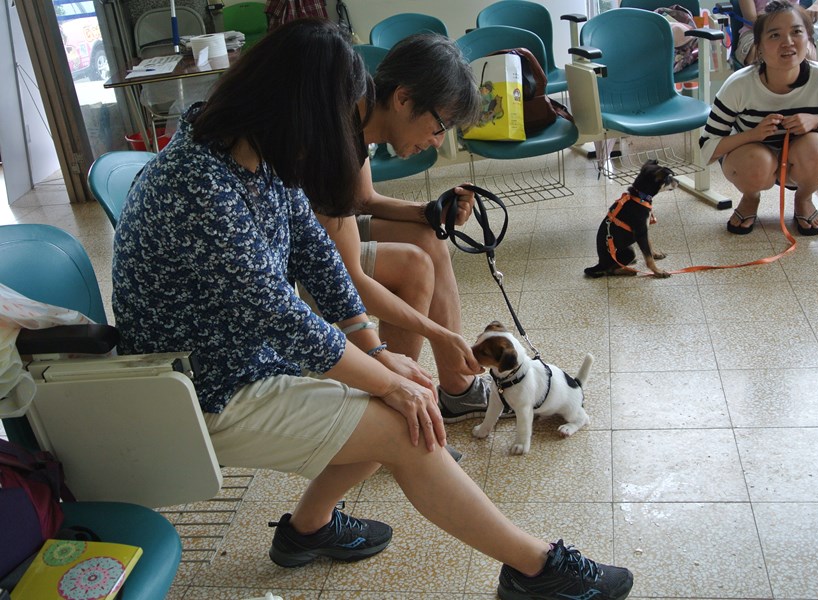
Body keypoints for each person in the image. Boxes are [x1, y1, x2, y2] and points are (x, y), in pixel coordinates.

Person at [111, 19, 633, 600]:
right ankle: (537, 570)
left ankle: (307, 531)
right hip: (204, 388)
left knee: (403, 393)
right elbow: (284, 316)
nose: (345, 134)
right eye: (340, 115)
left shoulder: (250, 155)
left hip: (241, 360)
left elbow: (319, 260)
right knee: (406, 423)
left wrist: (383, 356)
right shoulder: (201, 187)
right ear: (300, 108)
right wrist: (388, 379)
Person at [316, 33, 500, 424]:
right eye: (439, 126)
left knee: (426, 235)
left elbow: (364, 198)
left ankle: (458, 388)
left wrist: (432, 212)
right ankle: (397, 407)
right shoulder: (334, 137)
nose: (436, 142)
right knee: (413, 264)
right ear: (403, 98)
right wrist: (437, 334)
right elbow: (343, 275)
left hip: (327, 228)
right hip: (300, 254)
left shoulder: (358, 115)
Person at [700, 0, 818, 236]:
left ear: (809, 39)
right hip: (752, 159)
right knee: (758, 160)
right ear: (759, 47)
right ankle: (749, 198)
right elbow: (707, 148)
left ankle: (804, 199)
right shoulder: (739, 85)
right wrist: (752, 135)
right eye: (775, 35)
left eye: (797, 32)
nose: (788, 42)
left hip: (802, 158)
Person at [733, 0, 818, 65]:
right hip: (755, 32)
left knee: (808, 57)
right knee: (762, 57)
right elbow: (751, 19)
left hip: (793, 30)